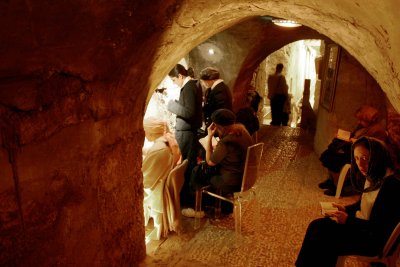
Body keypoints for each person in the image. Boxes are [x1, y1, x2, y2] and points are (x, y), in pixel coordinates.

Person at [296, 136, 400, 267]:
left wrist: (348, 220)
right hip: (362, 227)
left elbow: (378, 229)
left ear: (378, 157)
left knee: (324, 237)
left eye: (365, 159)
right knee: (316, 226)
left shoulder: (391, 186)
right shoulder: (374, 175)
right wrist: (345, 209)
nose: (360, 164)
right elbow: (362, 205)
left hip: (372, 240)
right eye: (356, 158)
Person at [183, 109, 254, 217]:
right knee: (207, 172)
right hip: (247, 179)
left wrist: (210, 136)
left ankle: (198, 209)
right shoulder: (243, 132)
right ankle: (224, 207)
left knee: (198, 172)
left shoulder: (226, 141)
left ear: (218, 126)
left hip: (232, 182)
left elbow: (210, 161)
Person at [319, 105, 387, 196]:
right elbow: (354, 134)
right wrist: (343, 136)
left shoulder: (377, 131)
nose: (359, 122)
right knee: (330, 151)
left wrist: (354, 141)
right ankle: (331, 180)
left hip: (360, 155)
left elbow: (372, 148)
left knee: (333, 158)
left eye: (361, 120)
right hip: (352, 148)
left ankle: (336, 186)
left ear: (368, 119)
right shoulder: (362, 126)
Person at [167, 64, 203, 206]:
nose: (175, 84)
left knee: (185, 167)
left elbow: (189, 112)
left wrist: (171, 105)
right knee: (188, 165)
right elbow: (190, 108)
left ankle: (185, 202)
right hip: (189, 133)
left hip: (186, 134)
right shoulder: (195, 85)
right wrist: (178, 103)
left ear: (180, 76)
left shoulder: (188, 87)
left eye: (174, 80)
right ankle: (186, 201)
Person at [142, 117, 182, 239]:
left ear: (151, 132)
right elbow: (153, 154)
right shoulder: (167, 141)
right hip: (161, 181)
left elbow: (146, 180)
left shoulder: (158, 150)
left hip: (155, 188)